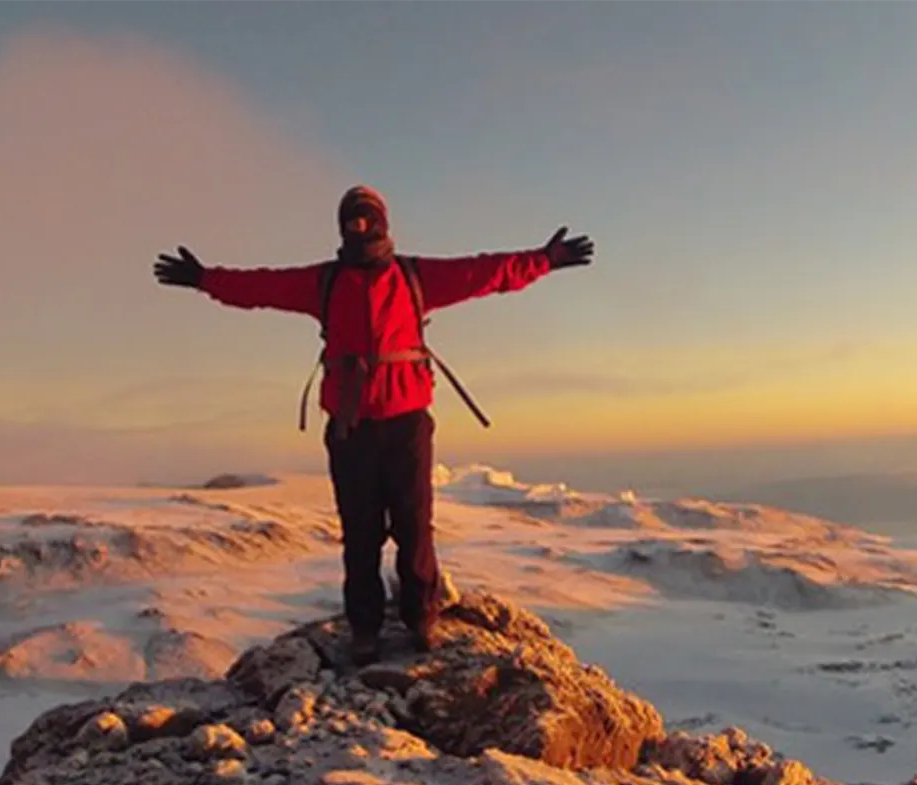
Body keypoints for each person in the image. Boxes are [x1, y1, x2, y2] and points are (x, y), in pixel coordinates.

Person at [153, 186, 594, 665]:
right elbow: (260, 287)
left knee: (414, 528)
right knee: (360, 532)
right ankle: (365, 628)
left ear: (383, 223)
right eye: (351, 221)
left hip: (407, 423)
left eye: (366, 219)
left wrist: (543, 260)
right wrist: (204, 279)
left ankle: (420, 616)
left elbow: (485, 273)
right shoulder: (323, 281)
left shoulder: (414, 276)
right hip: (351, 427)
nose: (359, 228)